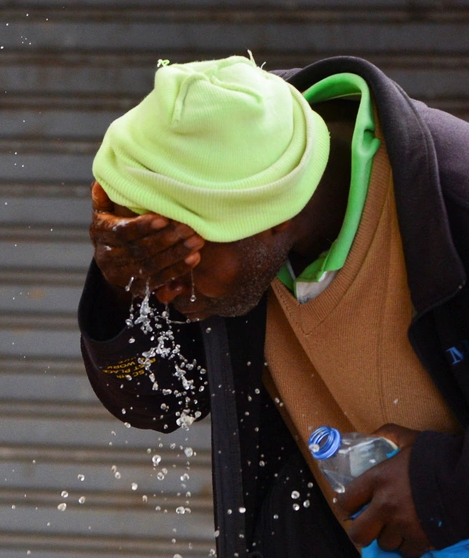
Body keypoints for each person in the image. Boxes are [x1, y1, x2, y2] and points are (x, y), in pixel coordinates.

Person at [78, 55, 469, 558]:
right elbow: (163, 402)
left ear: (272, 218)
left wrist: (447, 487)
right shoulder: (227, 194)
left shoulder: (451, 200)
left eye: (183, 258)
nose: (167, 289)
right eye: (153, 259)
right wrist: (122, 290)